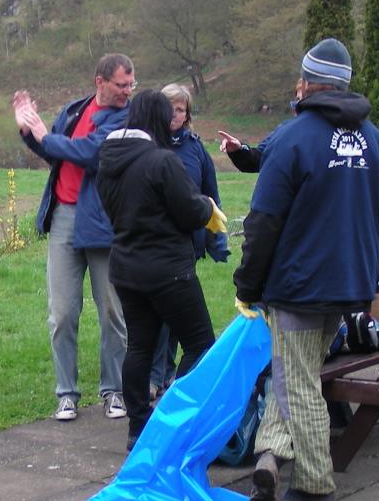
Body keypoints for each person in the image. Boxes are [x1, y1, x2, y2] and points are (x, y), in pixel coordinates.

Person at [234, 38, 379, 501]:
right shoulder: (374, 141)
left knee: (297, 382)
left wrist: (247, 283)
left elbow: (263, 222)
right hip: (349, 285)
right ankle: (269, 455)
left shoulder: (292, 138)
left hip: (299, 285)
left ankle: (315, 485)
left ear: (306, 83)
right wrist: (369, 273)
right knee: (295, 372)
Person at [95, 90, 226, 450]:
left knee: (140, 347)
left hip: (127, 269)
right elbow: (191, 211)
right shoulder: (162, 161)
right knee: (201, 345)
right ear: (157, 119)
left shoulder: (108, 159)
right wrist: (207, 207)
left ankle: (138, 427)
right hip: (169, 270)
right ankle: (173, 418)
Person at [12, 54, 132, 422]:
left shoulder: (125, 119)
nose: (127, 91)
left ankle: (114, 390)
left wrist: (45, 135)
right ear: (100, 82)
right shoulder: (75, 110)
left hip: (103, 221)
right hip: (64, 216)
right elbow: (53, 151)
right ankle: (66, 393)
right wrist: (28, 129)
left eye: (131, 84)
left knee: (111, 311)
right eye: (121, 85)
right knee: (62, 313)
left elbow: (88, 153)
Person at [148, 84, 230, 397]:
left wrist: (216, 241)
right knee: (158, 316)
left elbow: (211, 197)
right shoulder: (149, 146)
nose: (174, 114)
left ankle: (168, 375)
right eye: (169, 107)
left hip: (187, 246)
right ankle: (154, 376)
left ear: (187, 115)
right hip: (156, 245)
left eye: (180, 109)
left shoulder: (196, 150)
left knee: (175, 318)